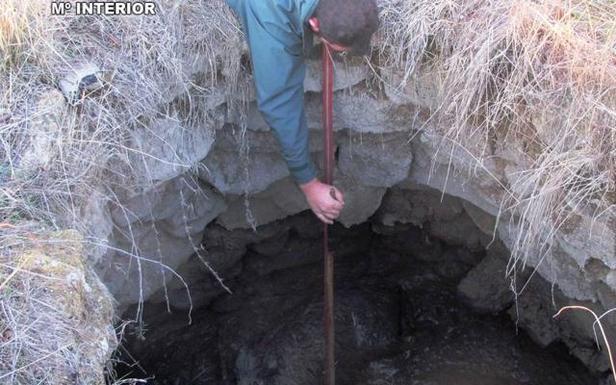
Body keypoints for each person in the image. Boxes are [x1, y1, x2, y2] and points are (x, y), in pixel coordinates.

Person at [224, 0, 379, 224]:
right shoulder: (272, 18)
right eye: (337, 47)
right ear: (314, 24)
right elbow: (280, 101)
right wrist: (308, 183)